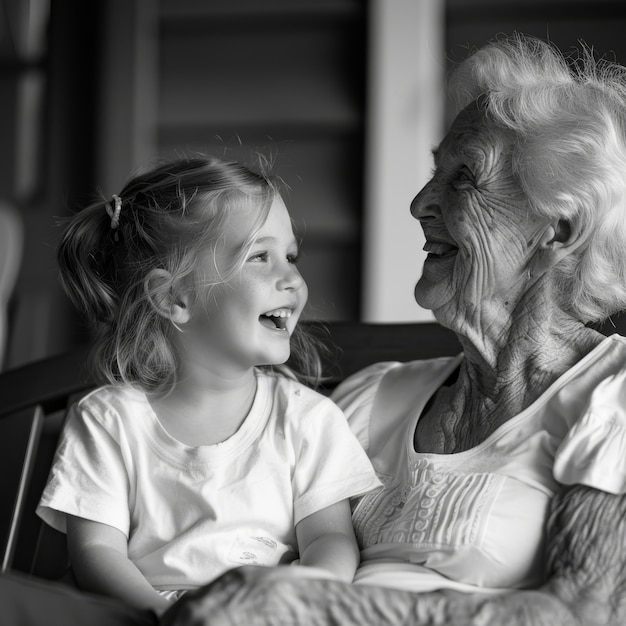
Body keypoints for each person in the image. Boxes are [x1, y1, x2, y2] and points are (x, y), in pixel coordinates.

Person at [160, 34, 626, 626]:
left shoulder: (613, 398)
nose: (420, 203)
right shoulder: (370, 399)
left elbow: (584, 613)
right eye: (435, 172)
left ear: (557, 228)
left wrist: (318, 605)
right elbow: (234, 546)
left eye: (464, 177)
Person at [36, 155, 381, 616]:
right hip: (146, 615)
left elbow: (329, 538)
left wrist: (301, 594)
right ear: (174, 297)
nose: (293, 279)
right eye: (260, 257)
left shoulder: (305, 419)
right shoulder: (111, 419)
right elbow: (98, 554)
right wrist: (167, 616)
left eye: (291, 256)